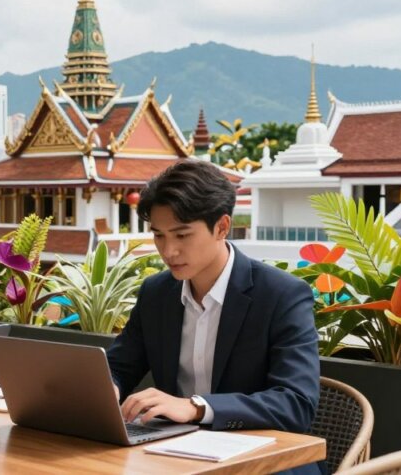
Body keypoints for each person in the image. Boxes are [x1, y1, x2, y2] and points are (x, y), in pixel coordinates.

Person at [106, 159, 322, 473]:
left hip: (266, 464)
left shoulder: (282, 295)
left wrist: (195, 407)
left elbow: (296, 403)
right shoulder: (156, 293)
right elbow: (119, 366)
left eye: (182, 235)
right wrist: (107, 389)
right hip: (177, 457)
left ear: (222, 227)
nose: (168, 251)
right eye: (159, 235)